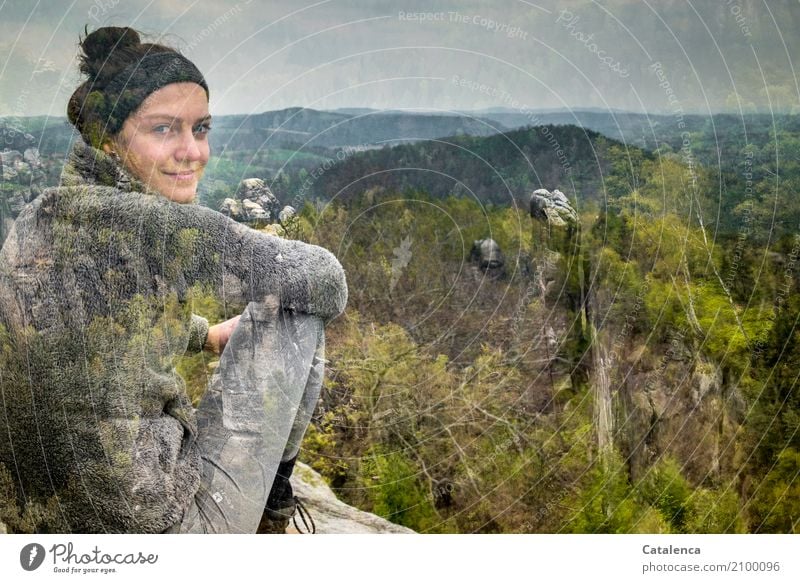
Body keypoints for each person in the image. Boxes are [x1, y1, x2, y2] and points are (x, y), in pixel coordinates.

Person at [0, 26, 347, 533]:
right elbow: (327, 281)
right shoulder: (160, 227)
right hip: (160, 536)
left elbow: (84, 317)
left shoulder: (38, 216)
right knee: (295, 311)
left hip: (42, 527)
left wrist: (202, 336)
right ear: (109, 140)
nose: (194, 152)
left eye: (200, 128)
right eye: (163, 129)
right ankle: (271, 509)